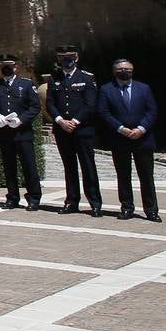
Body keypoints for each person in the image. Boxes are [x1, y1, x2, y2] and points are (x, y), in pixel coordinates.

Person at [97, 59, 160, 222]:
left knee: (146, 176)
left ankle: (151, 210)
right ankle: (127, 207)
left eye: (127, 69)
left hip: (143, 138)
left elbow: (152, 111)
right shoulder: (106, 89)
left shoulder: (144, 88)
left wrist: (141, 129)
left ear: (132, 70)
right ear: (114, 71)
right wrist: (121, 129)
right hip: (119, 138)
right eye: (120, 69)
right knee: (123, 175)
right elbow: (104, 112)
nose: (124, 71)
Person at [47, 44, 103, 217]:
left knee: (88, 166)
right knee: (69, 166)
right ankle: (71, 201)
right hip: (63, 130)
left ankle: (94, 203)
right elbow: (50, 103)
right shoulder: (54, 78)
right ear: (58, 60)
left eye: (70, 56)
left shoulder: (87, 77)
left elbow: (91, 104)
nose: (66, 60)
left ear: (76, 58)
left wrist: (75, 121)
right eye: (63, 57)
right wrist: (60, 121)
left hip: (82, 129)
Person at [0, 55, 41, 211]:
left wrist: (21, 119)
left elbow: (35, 107)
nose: (6, 68)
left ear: (16, 67)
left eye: (9, 66)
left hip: (22, 133)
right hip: (4, 133)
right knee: (9, 167)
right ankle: (12, 197)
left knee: (29, 166)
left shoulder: (27, 84)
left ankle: (34, 197)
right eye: (3, 65)